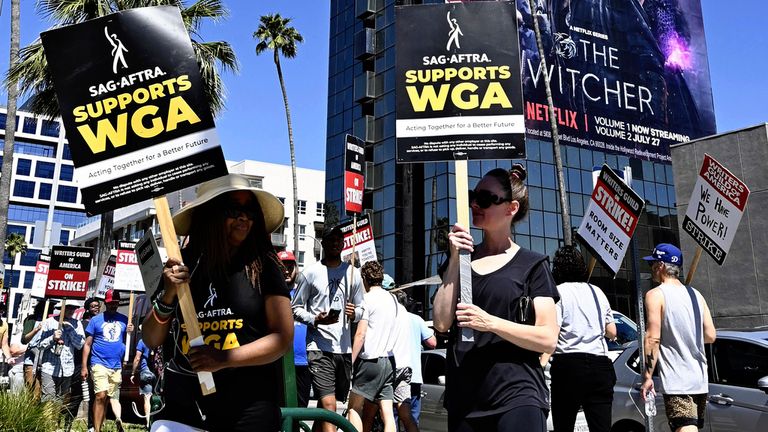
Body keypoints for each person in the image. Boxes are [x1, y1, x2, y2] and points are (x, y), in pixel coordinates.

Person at [142, 173, 294, 432]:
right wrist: (168, 294)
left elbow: (282, 337)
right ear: (210, 215)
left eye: (250, 211)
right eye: (234, 210)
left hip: (247, 409)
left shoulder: (263, 266)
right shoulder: (181, 263)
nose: (244, 218)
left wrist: (224, 358)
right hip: (184, 405)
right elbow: (151, 338)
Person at [433, 164, 559, 432]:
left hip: (517, 394)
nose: (476, 204)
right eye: (473, 196)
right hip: (464, 398)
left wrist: (490, 323)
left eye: (487, 199)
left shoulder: (532, 265)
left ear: (510, 208)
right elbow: (442, 323)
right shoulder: (459, 260)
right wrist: (455, 258)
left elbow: (548, 337)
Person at [292, 226, 365, 432]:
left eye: (339, 239)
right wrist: (315, 319)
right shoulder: (310, 273)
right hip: (318, 347)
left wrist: (354, 313)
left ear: (343, 243)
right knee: (329, 406)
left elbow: (362, 309)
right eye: (330, 239)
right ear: (322, 243)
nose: (335, 242)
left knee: (328, 409)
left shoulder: (353, 273)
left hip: (343, 349)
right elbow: (295, 308)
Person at [640, 243, 716, 432]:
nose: (652, 269)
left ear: (661, 266)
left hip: (677, 381)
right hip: (699, 380)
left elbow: (652, 338)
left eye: (653, 264)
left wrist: (647, 375)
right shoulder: (696, 295)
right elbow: (710, 335)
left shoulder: (655, 295)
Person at [549, 246, 617, 432]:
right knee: (601, 427)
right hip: (600, 365)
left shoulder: (558, 292)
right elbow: (612, 331)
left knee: (564, 425)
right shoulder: (598, 293)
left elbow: (551, 335)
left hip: (568, 364)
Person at [347, 261, 398, 432]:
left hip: (370, 360)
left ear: (364, 278)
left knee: (354, 408)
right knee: (388, 414)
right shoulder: (393, 299)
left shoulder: (365, 300)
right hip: (389, 360)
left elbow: (360, 334)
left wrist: (350, 361)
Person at [82, 289, 133, 432]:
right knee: (100, 395)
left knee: (107, 397)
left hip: (116, 365)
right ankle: (96, 429)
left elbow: (127, 339)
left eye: (116, 303)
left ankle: (100, 424)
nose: (113, 306)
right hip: (98, 362)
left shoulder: (124, 320)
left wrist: (131, 329)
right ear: (105, 303)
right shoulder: (96, 320)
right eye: (110, 303)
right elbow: (87, 344)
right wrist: (84, 367)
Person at [29, 301, 85, 405]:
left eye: (73, 308)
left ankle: (56, 421)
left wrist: (70, 329)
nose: (71, 310)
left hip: (67, 368)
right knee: (48, 398)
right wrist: (52, 338)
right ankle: (48, 421)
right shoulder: (49, 322)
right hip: (49, 367)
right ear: (61, 308)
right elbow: (39, 345)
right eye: (68, 308)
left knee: (61, 399)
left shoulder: (77, 324)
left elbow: (80, 344)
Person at [394, 289, 436, 427]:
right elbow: (432, 343)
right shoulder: (416, 319)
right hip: (413, 376)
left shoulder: (391, 318)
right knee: (412, 417)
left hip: (394, 372)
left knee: (392, 417)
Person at [386, 278, 420, 432]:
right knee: (406, 413)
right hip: (407, 369)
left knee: (385, 413)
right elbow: (431, 341)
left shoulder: (386, 312)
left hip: (389, 366)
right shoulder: (408, 314)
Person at [279, 250, 312, 408]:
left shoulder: (304, 294)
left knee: (300, 411)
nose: (286, 270)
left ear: (296, 268)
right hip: (278, 362)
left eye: (290, 266)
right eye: (282, 266)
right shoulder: (271, 295)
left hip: (303, 363)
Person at [131, 336, 156, 429]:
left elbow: (137, 358)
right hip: (157, 371)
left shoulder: (142, 341)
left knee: (147, 398)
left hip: (146, 372)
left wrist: (133, 373)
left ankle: (148, 424)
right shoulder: (159, 341)